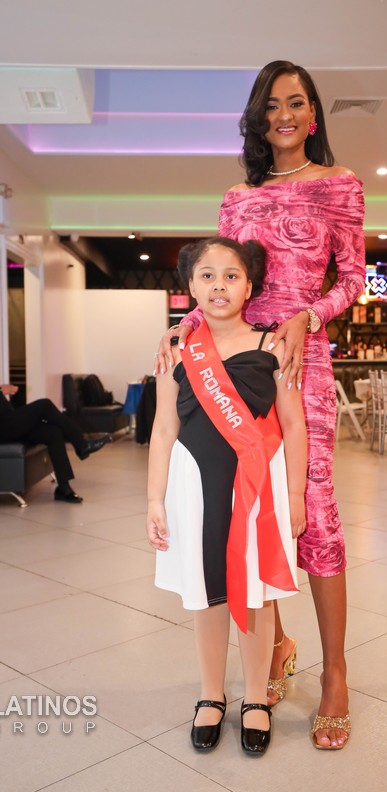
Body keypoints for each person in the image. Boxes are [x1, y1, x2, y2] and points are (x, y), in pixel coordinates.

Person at [155, 60, 365, 749]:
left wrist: (309, 314)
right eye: (271, 105)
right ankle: (271, 647)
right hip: (233, 359)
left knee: (313, 513)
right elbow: (221, 275)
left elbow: (352, 277)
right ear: (257, 116)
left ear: (313, 114)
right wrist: (183, 329)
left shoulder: (340, 184)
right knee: (243, 506)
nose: (284, 115)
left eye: (295, 103)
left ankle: (335, 674)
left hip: (299, 361)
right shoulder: (237, 195)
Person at [146, 237, 307, 756]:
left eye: (231, 275)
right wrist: (154, 500)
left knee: (255, 594)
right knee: (207, 592)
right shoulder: (176, 350)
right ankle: (211, 695)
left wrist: (296, 494)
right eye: (208, 275)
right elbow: (164, 428)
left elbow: (294, 424)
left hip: (259, 490)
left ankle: (256, 696)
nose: (220, 285)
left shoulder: (273, 347)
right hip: (195, 488)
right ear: (191, 287)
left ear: (249, 286)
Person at [0, 384, 109, 502]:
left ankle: (63, 487)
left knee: (53, 432)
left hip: (9, 422)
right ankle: (81, 443)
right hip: (4, 428)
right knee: (45, 405)